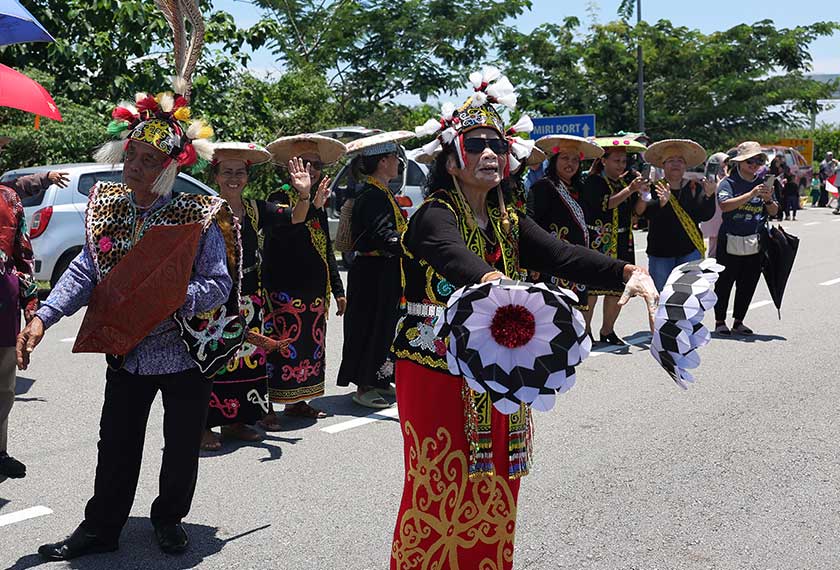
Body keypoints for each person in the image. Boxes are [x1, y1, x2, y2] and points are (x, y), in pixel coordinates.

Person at [389, 69, 658, 570]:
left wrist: (627, 270)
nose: (490, 153)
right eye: (476, 144)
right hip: (433, 368)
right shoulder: (432, 213)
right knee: (438, 484)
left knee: (496, 485)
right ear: (451, 158)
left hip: (501, 369)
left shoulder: (511, 220)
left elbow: (562, 254)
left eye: (497, 143)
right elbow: (451, 256)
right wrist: (493, 280)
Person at [17, 4, 245, 558]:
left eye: (148, 159)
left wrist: (170, 299)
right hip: (127, 350)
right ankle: (101, 527)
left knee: (177, 448)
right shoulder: (108, 206)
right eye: (131, 155)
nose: (134, 166)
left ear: (169, 167)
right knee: (115, 443)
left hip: (184, 353)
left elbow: (219, 285)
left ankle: (169, 519)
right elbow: (85, 270)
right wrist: (44, 316)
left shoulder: (197, 214)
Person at [259, 134, 346, 426]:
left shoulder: (317, 200)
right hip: (283, 291)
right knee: (278, 349)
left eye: (316, 164)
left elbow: (326, 250)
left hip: (314, 294)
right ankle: (266, 408)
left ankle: (298, 402)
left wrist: (338, 289)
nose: (311, 169)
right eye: (303, 163)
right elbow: (285, 238)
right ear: (290, 167)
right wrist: (309, 203)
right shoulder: (278, 199)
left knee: (310, 349)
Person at [201, 142, 282, 451]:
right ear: (216, 175)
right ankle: (202, 426)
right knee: (214, 363)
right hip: (215, 300)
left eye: (239, 172)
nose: (233, 178)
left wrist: (304, 194)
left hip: (250, 297)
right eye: (227, 172)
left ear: (247, 176)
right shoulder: (205, 209)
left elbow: (296, 218)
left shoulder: (255, 209)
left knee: (246, 362)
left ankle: (237, 421)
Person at [337, 132, 412, 409]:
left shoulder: (380, 192)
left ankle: (380, 378)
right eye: (394, 158)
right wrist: (411, 244)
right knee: (369, 325)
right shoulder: (372, 195)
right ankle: (365, 384)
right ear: (382, 162)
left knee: (384, 326)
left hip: (383, 270)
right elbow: (383, 235)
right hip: (373, 272)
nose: (397, 163)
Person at [579, 136, 650, 345]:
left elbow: (637, 213)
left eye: (623, 161)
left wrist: (643, 194)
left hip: (621, 239)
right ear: (604, 161)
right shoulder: (593, 181)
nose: (621, 165)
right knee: (592, 289)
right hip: (598, 239)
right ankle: (586, 332)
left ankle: (608, 330)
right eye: (616, 161)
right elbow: (606, 205)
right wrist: (630, 190)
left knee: (617, 288)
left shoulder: (627, 181)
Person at [527, 134, 604, 310]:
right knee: (552, 312)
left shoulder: (581, 189)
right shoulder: (543, 187)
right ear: (554, 160)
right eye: (565, 158)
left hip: (577, 261)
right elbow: (531, 223)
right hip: (550, 260)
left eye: (575, 160)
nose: (570, 163)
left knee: (575, 312)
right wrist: (533, 259)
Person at [713, 141, 779, 336]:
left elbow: (774, 211)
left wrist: (767, 199)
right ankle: (720, 321)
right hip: (730, 238)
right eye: (750, 160)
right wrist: (751, 194)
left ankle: (739, 321)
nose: (754, 164)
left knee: (748, 282)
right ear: (739, 162)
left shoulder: (763, 183)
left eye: (758, 160)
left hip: (754, 240)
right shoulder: (728, 182)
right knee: (725, 282)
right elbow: (724, 205)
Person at [638, 139, 716, 291]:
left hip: (689, 250)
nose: (675, 164)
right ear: (663, 165)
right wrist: (661, 203)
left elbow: (705, 215)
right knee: (662, 297)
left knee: (688, 297)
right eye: (670, 161)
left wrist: (709, 195)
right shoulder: (653, 188)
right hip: (660, 252)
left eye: (680, 161)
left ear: (685, 165)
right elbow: (644, 214)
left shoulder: (695, 187)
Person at [0, 181, 38, 479]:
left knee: (4, 388)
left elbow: (23, 255)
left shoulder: (9, 198)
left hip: (4, 309)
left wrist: (31, 310)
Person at [0, 136, 69, 194]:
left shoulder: (5, 192)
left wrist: (47, 177)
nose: (1, 150)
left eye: (1, 147)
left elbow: (17, 187)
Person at [701, 153, 729, 258]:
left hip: (723, 211)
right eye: (723, 163)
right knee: (714, 243)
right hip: (713, 212)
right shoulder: (709, 177)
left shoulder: (725, 175)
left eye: (726, 163)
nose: (725, 166)